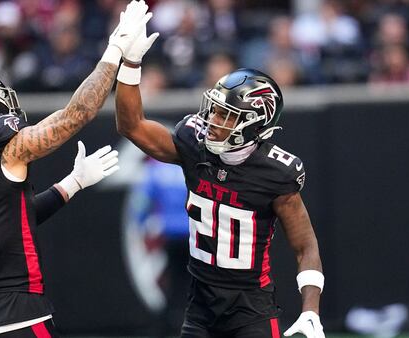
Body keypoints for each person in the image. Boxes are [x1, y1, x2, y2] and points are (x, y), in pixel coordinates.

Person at [0, 1, 154, 336]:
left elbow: (15, 218)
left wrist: (72, 183)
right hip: (16, 315)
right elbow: (76, 114)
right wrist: (115, 50)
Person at [114, 23, 325, 338]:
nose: (212, 120)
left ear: (254, 124)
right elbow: (131, 125)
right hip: (201, 308)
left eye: (226, 115)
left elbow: (305, 246)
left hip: (251, 310)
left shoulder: (276, 173)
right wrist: (129, 64)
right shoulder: (192, 143)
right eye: (214, 110)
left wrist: (311, 311)